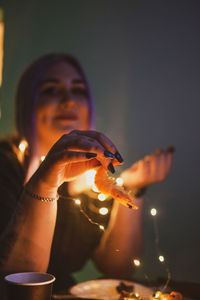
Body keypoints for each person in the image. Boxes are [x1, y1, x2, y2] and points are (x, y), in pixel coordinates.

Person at [0, 53, 174, 295]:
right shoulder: (5, 165)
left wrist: (134, 187)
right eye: (51, 89)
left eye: (78, 90)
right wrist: (45, 184)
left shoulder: (90, 179)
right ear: (27, 103)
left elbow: (116, 267)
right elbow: (18, 281)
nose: (68, 100)